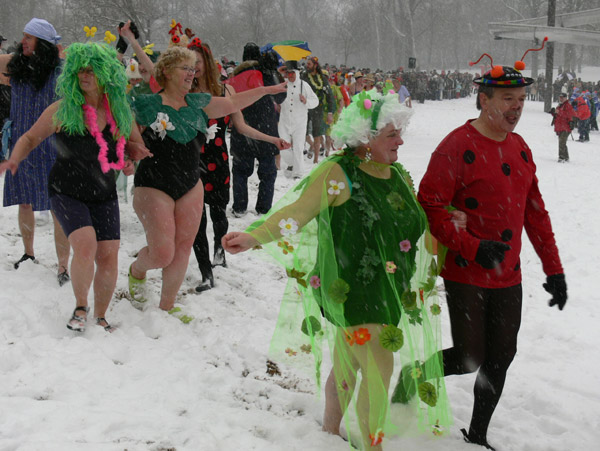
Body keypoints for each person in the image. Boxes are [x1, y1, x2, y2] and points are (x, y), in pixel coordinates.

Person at [222, 92, 456, 450]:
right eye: (392, 134)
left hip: (387, 289)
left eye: (400, 132)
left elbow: (416, 225)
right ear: (366, 136)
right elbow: (299, 212)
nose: (401, 140)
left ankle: (329, 432)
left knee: (349, 364)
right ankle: (371, 447)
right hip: (353, 290)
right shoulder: (338, 173)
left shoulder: (397, 175)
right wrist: (255, 236)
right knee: (380, 370)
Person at [400, 56, 567, 450]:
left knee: (501, 356)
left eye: (522, 99)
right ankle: (414, 374)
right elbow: (431, 205)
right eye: (508, 98)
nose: (517, 107)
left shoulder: (521, 147)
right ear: (484, 99)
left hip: (508, 273)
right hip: (465, 270)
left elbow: (535, 212)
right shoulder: (456, 146)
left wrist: (554, 270)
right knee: (470, 357)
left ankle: (477, 435)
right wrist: (474, 247)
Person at [0, 42, 151, 332]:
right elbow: (30, 138)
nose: (85, 76)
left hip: (103, 192)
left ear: (106, 74)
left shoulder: (119, 110)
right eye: (80, 70)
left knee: (108, 254)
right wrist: (14, 160)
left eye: (92, 71)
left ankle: (102, 315)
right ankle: (81, 307)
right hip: (65, 190)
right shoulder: (64, 109)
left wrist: (132, 154)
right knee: (85, 246)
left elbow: (136, 145)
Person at [128, 46, 287, 313]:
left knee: (182, 248)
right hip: (154, 183)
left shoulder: (199, 102)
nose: (192, 73)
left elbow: (234, 104)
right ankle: (137, 270)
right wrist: (131, 148)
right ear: (166, 71)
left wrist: (266, 90)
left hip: (191, 183)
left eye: (193, 68)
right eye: (185, 68)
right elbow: (123, 131)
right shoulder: (145, 104)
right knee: (162, 252)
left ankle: (167, 306)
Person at [187, 38, 289, 292]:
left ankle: (219, 250)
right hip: (190, 160)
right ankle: (205, 273)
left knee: (218, 211)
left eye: (197, 62)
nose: (193, 68)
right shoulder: (183, 92)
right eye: (189, 63)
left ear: (207, 63)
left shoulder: (226, 90)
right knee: (196, 217)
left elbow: (241, 127)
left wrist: (272, 139)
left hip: (218, 158)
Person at [0, 18, 71, 284]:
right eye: (24, 36)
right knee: (24, 200)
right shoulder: (16, 66)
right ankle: (28, 254)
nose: (24, 41)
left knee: (58, 205)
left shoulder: (60, 73)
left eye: (29, 37)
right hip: (21, 143)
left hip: (53, 146)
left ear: (43, 43)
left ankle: (63, 265)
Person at [228, 43, 287, 216]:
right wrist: (272, 72)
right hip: (266, 125)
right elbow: (281, 96)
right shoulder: (265, 71)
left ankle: (239, 206)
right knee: (268, 171)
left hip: (242, 123)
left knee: (240, 170)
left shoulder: (235, 74)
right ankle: (264, 207)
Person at [278, 60, 318, 179]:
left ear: (297, 73)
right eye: (288, 73)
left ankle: (298, 173)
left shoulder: (304, 86)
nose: (290, 76)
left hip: (300, 122)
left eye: (292, 73)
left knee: (299, 147)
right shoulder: (282, 85)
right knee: (283, 146)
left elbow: (315, 101)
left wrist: (306, 101)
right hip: (284, 121)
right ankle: (291, 163)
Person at [301, 56, 335, 164]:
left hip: (318, 108)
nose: (307, 66)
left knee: (317, 133)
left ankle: (316, 158)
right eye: (307, 64)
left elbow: (329, 96)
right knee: (303, 132)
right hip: (304, 107)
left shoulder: (322, 79)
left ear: (315, 65)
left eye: (309, 64)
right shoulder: (303, 76)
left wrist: (330, 112)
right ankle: (310, 146)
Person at [553, 92, 576, 162]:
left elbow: (568, 115)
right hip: (560, 127)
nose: (561, 99)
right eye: (560, 97)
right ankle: (566, 157)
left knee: (562, 142)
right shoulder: (560, 105)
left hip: (565, 127)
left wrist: (558, 112)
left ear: (566, 98)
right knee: (562, 142)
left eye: (562, 97)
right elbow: (557, 116)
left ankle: (562, 157)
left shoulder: (568, 106)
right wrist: (553, 113)